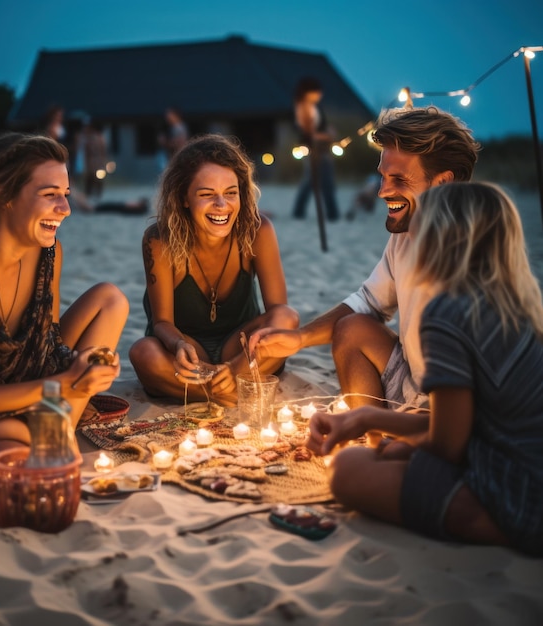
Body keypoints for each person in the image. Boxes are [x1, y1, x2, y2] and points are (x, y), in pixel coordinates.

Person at [307, 182, 543, 556]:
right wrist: (366, 420)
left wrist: (377, 430)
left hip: (511, 484)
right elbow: (462, 428)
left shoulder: (447, 314)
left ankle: (494, 523)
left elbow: (448, 445)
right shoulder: (516, 307)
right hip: (506, 456)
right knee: (385, 454)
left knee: (349, 467)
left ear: (440, 242)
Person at [0, 132, 129, 492]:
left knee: (110, 299)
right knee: (38, 475)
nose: (66, 209)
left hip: (20, 388)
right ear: (4, 197)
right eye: (50, 196)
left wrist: (88, 367)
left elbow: (47, 347)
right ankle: (44, 437)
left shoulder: (48, 252)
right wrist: (66, 384)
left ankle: (49, 432)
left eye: (65, 194)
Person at [251, 106, 480, 416]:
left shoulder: (471, 259)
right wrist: (299, 338)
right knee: (352, 328)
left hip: (455, 413)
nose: (383, 191)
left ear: (442, 183)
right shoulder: (406, 233)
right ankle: (372, 431)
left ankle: (374, 430)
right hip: (412, 383)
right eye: (382, 178)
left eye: (399, 179)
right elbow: (369, 303)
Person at [129, 134, 299, 406]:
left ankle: (224, 383)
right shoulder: (159, 239)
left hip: (242, 349)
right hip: (188, 352)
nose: (222, 206)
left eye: (230, 193)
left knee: (288, 319)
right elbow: (162, 323)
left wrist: (236, 366)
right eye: (207, 194)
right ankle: (229, 392)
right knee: (142, 353)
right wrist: (178, 345)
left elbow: (279, 311)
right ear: (184, 197)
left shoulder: (258, 230)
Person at [291, 77, 340, 221]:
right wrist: (327, 136)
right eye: (317, 92)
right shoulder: (304, 108)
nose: (319, 95)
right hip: (314, 150)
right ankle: (332, 213)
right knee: (322, 181)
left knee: (312, 181)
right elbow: (308, 133)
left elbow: (319, 127)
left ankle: (299, 211)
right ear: (308, 92)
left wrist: (328, 131)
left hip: (321, 149)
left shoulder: (314, 107)